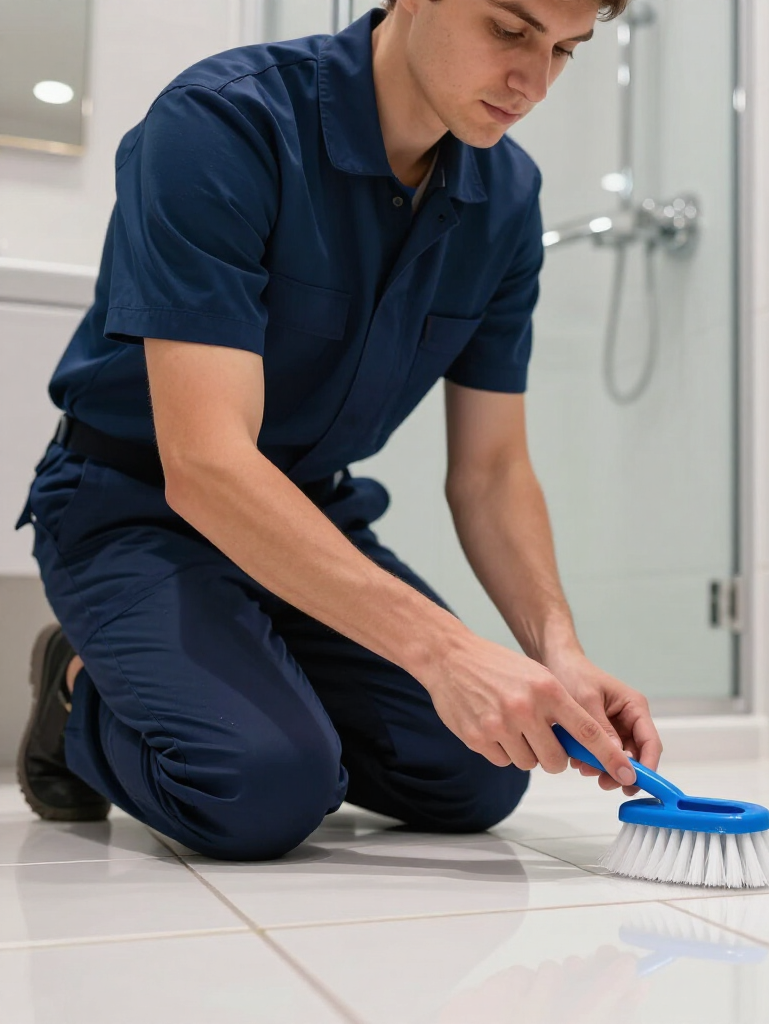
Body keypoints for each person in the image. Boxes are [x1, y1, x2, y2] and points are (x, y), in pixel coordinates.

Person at [16, 0, 662, 861]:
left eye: (565, 51)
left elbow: (492, 470)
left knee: (477, 774)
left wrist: (558, 651)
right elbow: (205, 464)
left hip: (313, 518)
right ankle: (77, 688)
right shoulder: (223, 125)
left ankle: (261, 685)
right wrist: (442, 653)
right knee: (261, 788)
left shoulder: (507, 199)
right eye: (510, 31)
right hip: (134, 508)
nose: (535, 83)